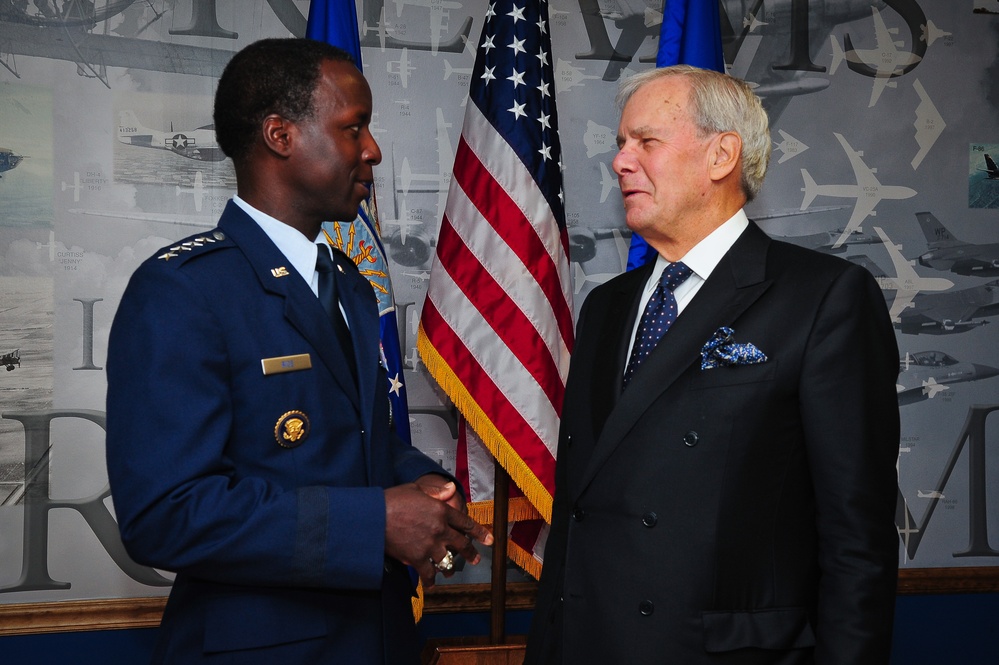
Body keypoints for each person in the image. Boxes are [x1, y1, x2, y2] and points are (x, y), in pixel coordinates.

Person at [105, 38, 492, 665]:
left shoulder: (346, 282)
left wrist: (416, 482)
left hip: (381, 638)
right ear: (281, 135)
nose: (373, 150)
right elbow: (165, 514)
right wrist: (375, 523)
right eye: (353, 127)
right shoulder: (183, 289)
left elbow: (347, 439)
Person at [524, 65, 900, 664]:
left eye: (645, 142)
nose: (621, 161)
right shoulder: (606, 306)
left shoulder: (822, 298)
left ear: (722, 155)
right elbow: (576, 514)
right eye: (621, 144)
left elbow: (857, 542)